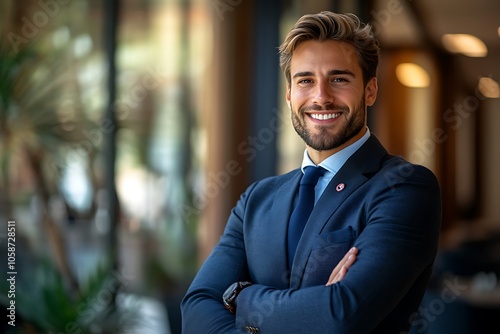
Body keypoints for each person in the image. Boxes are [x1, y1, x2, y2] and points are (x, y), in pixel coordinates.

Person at [181, 11, 441, 334]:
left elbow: (340, 316)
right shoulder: (256, 200)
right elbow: (196, 308)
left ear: (370, 90)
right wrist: (314, 305)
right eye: (305, 80)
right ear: (289, 94)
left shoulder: (405, 187)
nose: (321, 97)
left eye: (339, 79)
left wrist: (242, 297)